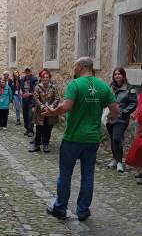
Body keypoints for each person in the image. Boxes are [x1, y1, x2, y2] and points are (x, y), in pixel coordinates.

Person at [43, 57, 119, 221]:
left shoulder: (75, 84)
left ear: (81, 66)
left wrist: (52, 112)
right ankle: (83, 210)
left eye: (75, 66)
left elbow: (66, 107)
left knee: (65, 174)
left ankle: (60, 208)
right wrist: (106, 118)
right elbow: (115, 110)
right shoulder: (104, 86)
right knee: (88, 174)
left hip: (73, 137)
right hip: (92, 139)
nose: (73, 69)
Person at [106, 67, 137, 173]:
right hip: (110, 117)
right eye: (115, 74)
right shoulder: (111, 87)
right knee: (112, 139)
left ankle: (119, 162)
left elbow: (133, 103)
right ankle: (115, 159)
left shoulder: (130, 88)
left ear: (123, 75)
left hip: (121, 118)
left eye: (119, 74)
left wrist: (123, 112)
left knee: (116, 138)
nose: (117, 76)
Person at [31, 70, 60, 153]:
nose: (45, 79)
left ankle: (46, 145)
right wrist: (42, 106)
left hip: (50, 112)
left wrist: (52, 106)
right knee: (39, 129)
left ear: (49, 78)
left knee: (48, 129)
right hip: (40, 112)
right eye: (44, 77)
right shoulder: (37, 87)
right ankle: (36, 145)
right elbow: (36, 98)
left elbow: (57, 98)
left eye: (47, 77)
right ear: (41, 78)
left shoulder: (53, 87)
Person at [21, 67, 38, 137]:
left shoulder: (34, 79)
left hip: (31, 100)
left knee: (30, 115)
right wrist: (21, 93)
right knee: (25, 115)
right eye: (26, 72)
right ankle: (27, 129)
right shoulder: (22, 79)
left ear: (31, 72)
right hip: (24, 99)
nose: (27, 73)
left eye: (28, 72)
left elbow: (35, 91)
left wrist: (28, 94)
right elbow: (21, 88)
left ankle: (31, 130)